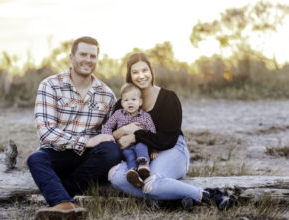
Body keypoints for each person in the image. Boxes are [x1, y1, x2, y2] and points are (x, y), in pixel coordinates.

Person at [108, 52, 230, 211]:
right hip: (141, 156)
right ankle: (175, 198)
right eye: (135, 72)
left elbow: (167, 138)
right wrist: (124, 130)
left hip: (172, 149)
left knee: (152, 183)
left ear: (151, 71)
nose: (141, 76)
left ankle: (209, 196)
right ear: (129, 75)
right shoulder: (122, 104)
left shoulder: (168, 98)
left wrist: (135, 136)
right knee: (114, 175)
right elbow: (112, 135)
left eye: (145, 70)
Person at [27, 36, 122, 219]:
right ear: (71, 56)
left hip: (89, 160)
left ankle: (62, 195)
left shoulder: (107, 94)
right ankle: (65, 205)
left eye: (92, 56)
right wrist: (85, 141)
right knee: (36, 159)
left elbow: (110, 132)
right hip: (57, 153)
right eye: (83, 54)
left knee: (112, 151)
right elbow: (45, 131)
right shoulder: (50, 86)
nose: (88, 60)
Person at [101, 83, 158, 188]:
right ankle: (132, 173)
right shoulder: (118, 114)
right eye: (126, 100)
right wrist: (109, 139)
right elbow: (106, 126)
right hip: (125, 146)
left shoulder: (145, 116)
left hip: (141, 143)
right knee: (128, 155)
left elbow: (152, 133)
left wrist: (154, 149)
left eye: (133, 99)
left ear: (140, 102)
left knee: (141, 146)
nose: (130, 102)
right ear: (121, 103)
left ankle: (143, 164)